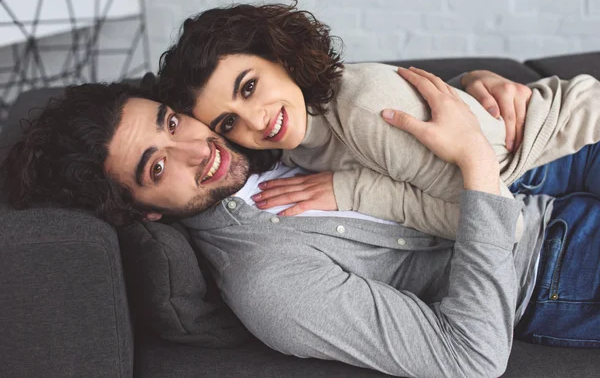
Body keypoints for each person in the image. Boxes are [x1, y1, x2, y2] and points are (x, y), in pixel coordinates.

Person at [2, 67, 600, 378]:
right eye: (158, 165)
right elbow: (472, 358)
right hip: (552, 265)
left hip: (540, 158)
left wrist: (476, 91)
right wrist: (473, 159)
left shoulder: (248, 128)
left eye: (170, 121)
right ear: (143, 211)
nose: (197, 148)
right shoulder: (270, 282)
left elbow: (381, 104)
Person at [156, 2, 600, 241]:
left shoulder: (363, 107)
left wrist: (355, 192)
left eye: (249, 86)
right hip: (534, 172)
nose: (255, 120)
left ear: (278, 55)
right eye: (229, 122)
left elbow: (502, 226)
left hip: (576, 141)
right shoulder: (297, 141)